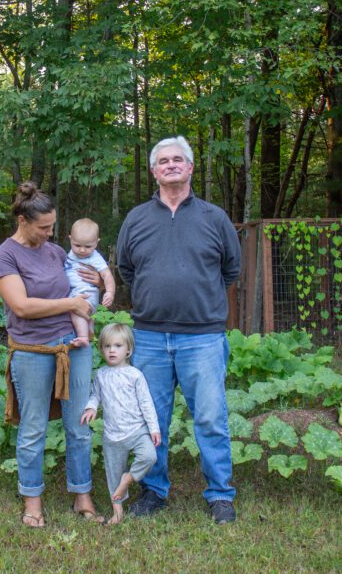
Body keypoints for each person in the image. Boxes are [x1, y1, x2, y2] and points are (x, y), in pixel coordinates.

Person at [116, 136, 241, 524]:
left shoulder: (214, 218)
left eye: (178, 160)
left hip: (202, 337)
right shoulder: (136, 218)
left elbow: (231, 270)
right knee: (151, 419)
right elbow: (126, 270)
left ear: (190, 168)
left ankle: (219, 494)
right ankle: (153, 491)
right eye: (163, 161)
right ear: (154, 171)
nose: (171, 165)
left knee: (210, 418)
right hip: (150, 336)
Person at [0, 182, 104, 528]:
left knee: (79, 427)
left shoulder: (55, 252)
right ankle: (32, 501)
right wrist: (71, 303)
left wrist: (94, 289)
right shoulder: (3, 255)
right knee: (33, 428)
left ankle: (82, 495)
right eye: (44, 227)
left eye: (53, 226)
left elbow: (81, 286)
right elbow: (22, 306)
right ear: (23, 220)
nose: (50, 233)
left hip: (73, 349)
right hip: (31, 351)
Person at [81, 323, 161, 524]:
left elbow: (146, 403)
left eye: (117, 346)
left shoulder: (135, 375)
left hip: (137, 430)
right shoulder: (101, 375)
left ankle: (129, 479)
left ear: (128, 350)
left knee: (149, 456)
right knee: (113, 475)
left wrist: (153, 428)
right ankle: (117, 511)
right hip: (112, 435)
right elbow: (95, 396)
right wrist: (91, 407)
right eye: (107, 346)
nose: (112, 350)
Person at [65, 218, 116, 346]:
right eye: (77, 245)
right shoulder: (69, 254)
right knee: (79, 312)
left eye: (88, 246)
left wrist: (110, 292)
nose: (82, 250)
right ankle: (89, 329)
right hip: (74, 292)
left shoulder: (95, 258)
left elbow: (107, 275)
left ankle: (83, 337)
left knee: (76, 310)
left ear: (96, 243)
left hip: (86, 293)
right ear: (70, 239)